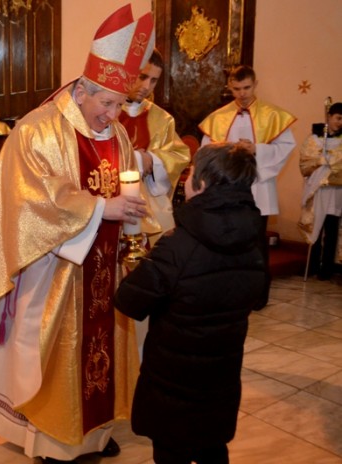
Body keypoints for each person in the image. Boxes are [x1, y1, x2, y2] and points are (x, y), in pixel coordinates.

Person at [0, 5, 154, 462]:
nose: (113, 115)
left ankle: (95, 431)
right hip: (53, 268)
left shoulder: (115, 133)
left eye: (120, 105)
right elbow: (36, 199)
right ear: (81, 91)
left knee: (105, 347)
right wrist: (103, 207)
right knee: (52, 351)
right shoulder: (38, 130)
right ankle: (51, 439)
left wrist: (132, 214)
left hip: (104, 265)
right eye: (106, 103)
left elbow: (125, 180)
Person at [115, 143, 266, 464]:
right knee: (213, 448)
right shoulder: (253, 238)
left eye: (191, 173)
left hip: (174, 383)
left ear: (202, 184)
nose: (185, 179)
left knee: (172, 452)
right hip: (221, 376)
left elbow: (129, 301)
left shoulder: (177, 244)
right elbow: (258, 296)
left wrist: (142, 266)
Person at [199, 65, 296, 309]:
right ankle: (229, 291)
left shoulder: (272, 115)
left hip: (258, 189)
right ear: (230, 87)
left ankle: (258, 296)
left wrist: (256, 149)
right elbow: (205, 151)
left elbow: (285, 148)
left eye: (246, 88)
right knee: (227, 242)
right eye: (236, 89)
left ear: (255, 84)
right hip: (226, 189)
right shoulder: (219, 117)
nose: (242, 94)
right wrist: (228, 150)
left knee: (256, 245)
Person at [119, 49, 191, 244]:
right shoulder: (106, 111)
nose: (146, 86)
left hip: (150, 201)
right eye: (142, 77)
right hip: (112, 199)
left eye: (153, 80)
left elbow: (180, 155)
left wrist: (152, 159)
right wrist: (133, 159)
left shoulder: (162, 118)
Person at [298, 101, 342, 280]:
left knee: (331, 229)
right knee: (315, 226)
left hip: (335, 191)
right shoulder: (314, 139)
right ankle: (313, 265)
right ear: (329, 117)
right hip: (317, 190)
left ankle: (327, 269)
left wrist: (331, 160)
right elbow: (305, 162)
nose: (340, 122)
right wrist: (320, 160)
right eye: (338, 118)